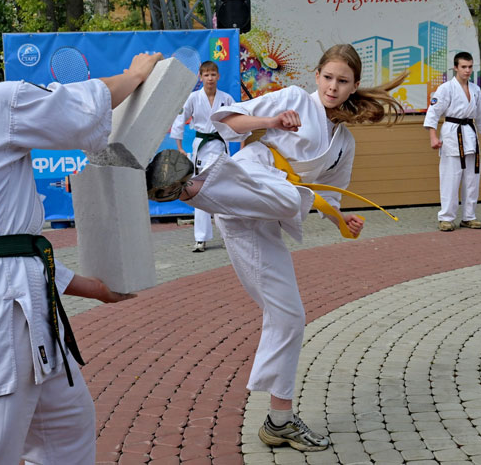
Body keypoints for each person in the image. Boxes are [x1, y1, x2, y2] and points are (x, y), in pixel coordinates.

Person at [0, 11, 161, 465]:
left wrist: (90, 288)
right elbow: (82, 106)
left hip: (5, 303)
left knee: (65, 431)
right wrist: (135, 74)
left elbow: (4, 247)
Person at [147, 44, 404, 451]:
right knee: (291, 197)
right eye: (327, 77)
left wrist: (343, 222)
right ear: (316, 75)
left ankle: (278, 420)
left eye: (342, 81)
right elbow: (227, 120)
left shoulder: (343, 144)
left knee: (289, 316)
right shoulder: (294, 99)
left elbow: (329, 198)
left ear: (354, 86)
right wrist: (272, 120)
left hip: (259, 217)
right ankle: (185, 186)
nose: (333, 87)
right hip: (249, 180)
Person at [424, 51, 481, 232]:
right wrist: (433, 137)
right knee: (450, 177)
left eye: (470, 67)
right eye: (463, 67)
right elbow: (433, 113)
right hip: (452, 133)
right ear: (455, 68)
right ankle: (446, 218)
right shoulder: (445, 89)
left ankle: (469, 217)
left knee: (472, 179)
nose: (467, 70)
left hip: (470, 135)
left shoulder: (475, 89)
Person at [170, 60, 235, 252]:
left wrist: (243, 143)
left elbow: (238, 120)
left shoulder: (227, 98)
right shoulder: (193, 98)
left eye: (213, 74)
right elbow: (180, 119)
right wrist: (180, 147)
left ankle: (227, 235)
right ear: (200, 77)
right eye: (206, 75)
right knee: (198, 192)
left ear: (218, 77)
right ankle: (201, 238)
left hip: (221, 147)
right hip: (201, 149)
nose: (210, 78)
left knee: (223, 191)